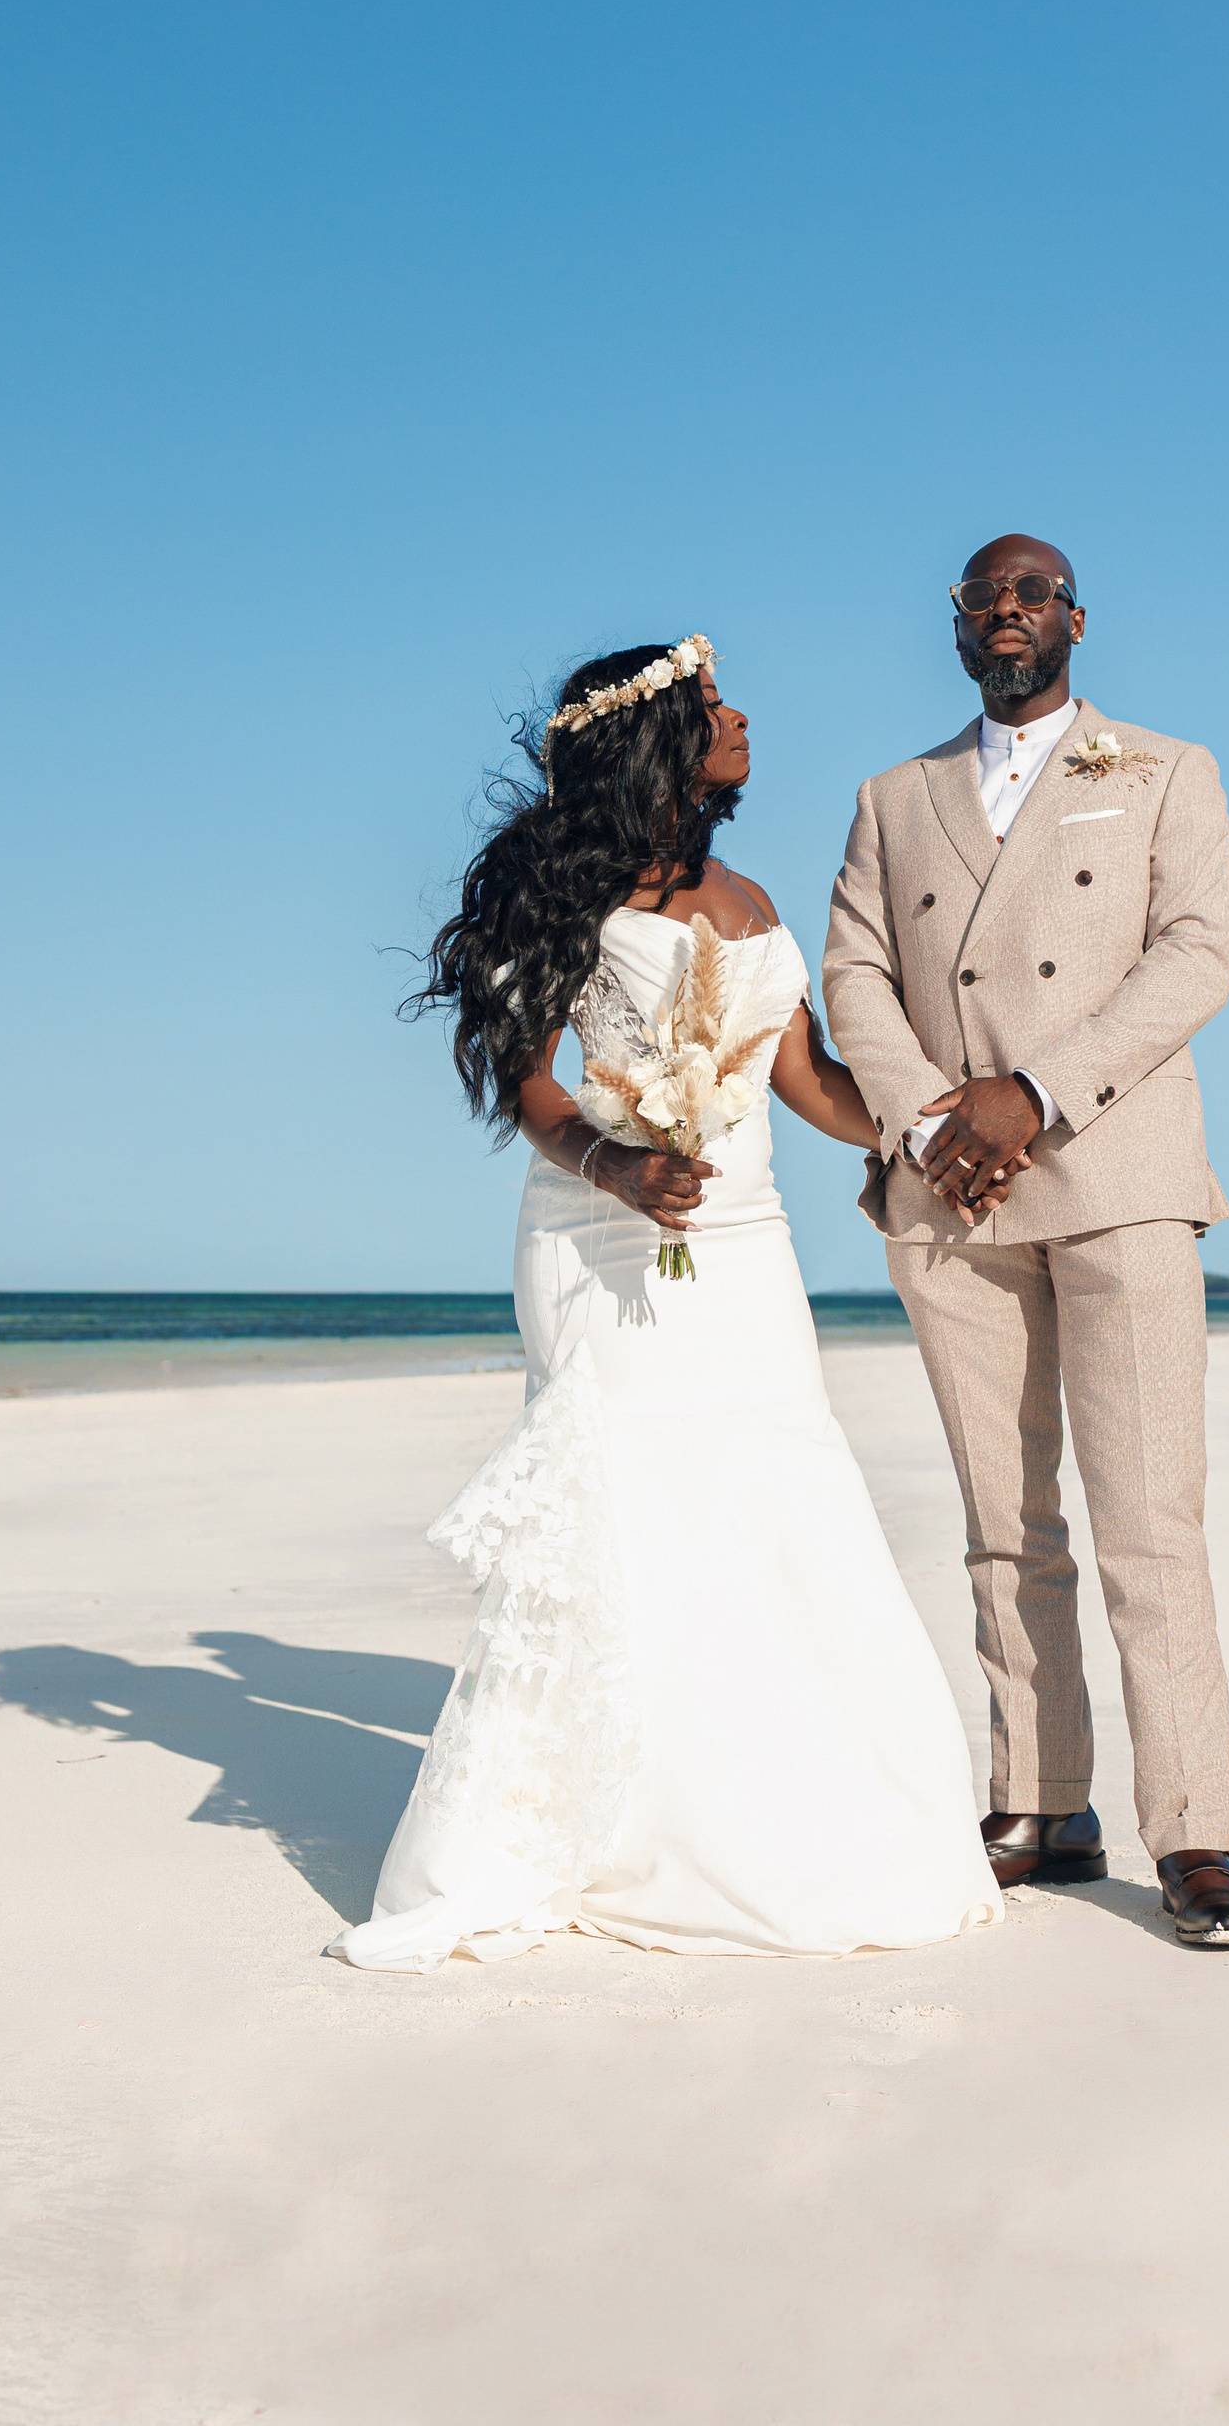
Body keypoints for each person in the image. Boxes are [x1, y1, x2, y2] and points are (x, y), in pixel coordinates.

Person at [332, 635, 1002, 1970]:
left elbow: (806, 1082)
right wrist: (618, 1167)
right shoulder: (563, 889)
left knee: (773, 1495)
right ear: (654, 742)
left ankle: (783, 1808)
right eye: (711, 705)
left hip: (745, 1247)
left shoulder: (749, 894)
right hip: (602, 1237)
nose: (740, 717)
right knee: (634, 1509)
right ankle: (607, 1825)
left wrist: (929, 1128)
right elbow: (526, 1082)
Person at [822, 538, 1229, 1949]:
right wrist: (929, 1121)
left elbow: (1197, 951)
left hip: (1118, 1170)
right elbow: (855, 971)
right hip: (951, 1193)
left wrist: (1035, 1091)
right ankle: (1041, 1801)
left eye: (1030, 593)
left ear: (1077, 619)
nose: (1005, 610)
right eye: (982, 596)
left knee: (1150, 1520)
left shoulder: (1168, 770)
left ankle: (1195, 1832)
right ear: (956, 626)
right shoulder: (892, 797)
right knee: (1004, 1524)